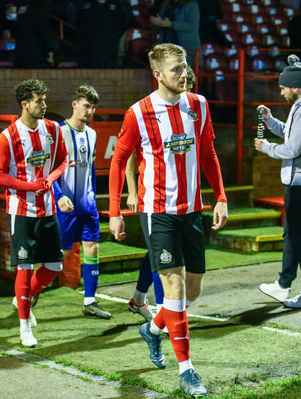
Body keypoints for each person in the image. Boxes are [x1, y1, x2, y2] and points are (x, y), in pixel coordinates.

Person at [108, 43, 228, 397]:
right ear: (157, 74)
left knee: (193, 289)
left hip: (192, 210)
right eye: (176, 69)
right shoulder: (139, 113)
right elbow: (118, 161)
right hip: (157, 211)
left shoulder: (199, 105)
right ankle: (187, 371)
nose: (185, 73)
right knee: (172, 287)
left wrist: (220, 196)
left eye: (186, 66)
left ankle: (154, 328)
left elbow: (207, 152)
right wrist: (116, 210)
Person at [0, 79, 69, 347]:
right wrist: (29, 185)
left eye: (44, 100)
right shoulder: (8, 136)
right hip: (21, 211)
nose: (44, 105)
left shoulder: (52, 130)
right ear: (24, 104)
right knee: (24, 268)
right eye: (39, 101)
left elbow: (62, 161)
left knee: (54, 266)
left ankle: (21, 298)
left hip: (47, 211)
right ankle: (24, 327)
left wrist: (52, 179)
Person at [254, 54, 301, 309]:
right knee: (296, 236)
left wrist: (266, 147)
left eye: (284, 87)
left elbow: (292, 149)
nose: (281, 92)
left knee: (297, 237)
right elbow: (291, 132)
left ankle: (291, 285)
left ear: (296, 86)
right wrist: (269, 121)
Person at [127, 63, 196, 323]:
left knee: (156, 254)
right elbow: (130, 156)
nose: (184, 83)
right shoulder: (146, 112)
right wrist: (132, 191)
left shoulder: (192, 109)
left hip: (181, 203)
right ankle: (163, 313)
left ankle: (138, 299)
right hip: (153, 200)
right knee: (164, 260)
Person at [51, 85, 112, 319]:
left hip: (87, 206)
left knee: (93, 248)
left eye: (93, 107)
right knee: (63, 252)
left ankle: (90, 301)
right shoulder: (58, 132)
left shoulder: (93, 134)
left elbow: (92, 169)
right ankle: (30, 290)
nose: (90, 111)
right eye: (87, 105)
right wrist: (59, 197)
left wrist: (93, 196)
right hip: (66, 207)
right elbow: (50, 171)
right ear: (74, 104)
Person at [149, 0, 201, 67]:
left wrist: (171, 24)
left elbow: (192, 26)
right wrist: (157, 23)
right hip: (167, 47)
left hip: (186, 48)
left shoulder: (191, 5)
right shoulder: (166, 3)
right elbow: (162, 24)